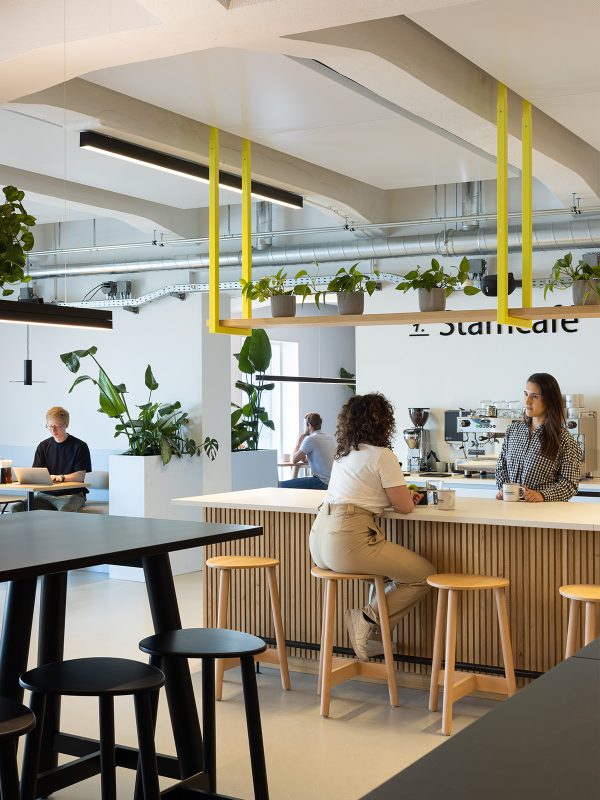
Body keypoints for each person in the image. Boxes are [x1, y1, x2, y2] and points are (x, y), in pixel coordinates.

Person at [309, 393, 434, 661]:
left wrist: (395, 497)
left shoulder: (344, 454)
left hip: (320, 539)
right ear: (383, 423)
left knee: (387, 576)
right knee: (422, 575)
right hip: (348, 541)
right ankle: (367, 619)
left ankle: (372, 641)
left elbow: (363, 494)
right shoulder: (382, 455)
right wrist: (404, 498)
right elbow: (403, 507)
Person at [495, 372, 581, 502]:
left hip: (544, 513)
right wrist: (505, 489)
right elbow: (501, 468)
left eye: (535, 397)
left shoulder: (564, 440)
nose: (527, 401)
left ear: (550, 400)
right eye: (526, 394)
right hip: (510, 509)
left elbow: (570, 484)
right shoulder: (513, 431)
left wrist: (542, 495)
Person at [11, 406, 91, 512]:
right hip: (44, 495)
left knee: (64, 510)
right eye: (50, 426)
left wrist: (61, 477)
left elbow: (80, 477)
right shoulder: (43, 446)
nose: (53, 430)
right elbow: (35, 473)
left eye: (57, 426)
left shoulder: (80, 446)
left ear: (66, 425)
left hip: (72, 495)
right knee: (16, 508)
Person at [279, 412, 336, 490]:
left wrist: (299, 441)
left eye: (303, 424)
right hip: (333, 483)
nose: (303, 427)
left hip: (321, 482)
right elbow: (316, 459)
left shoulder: (310, 439)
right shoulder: (329, 438)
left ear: (309, 425)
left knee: (281, 485)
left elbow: (294, 459)